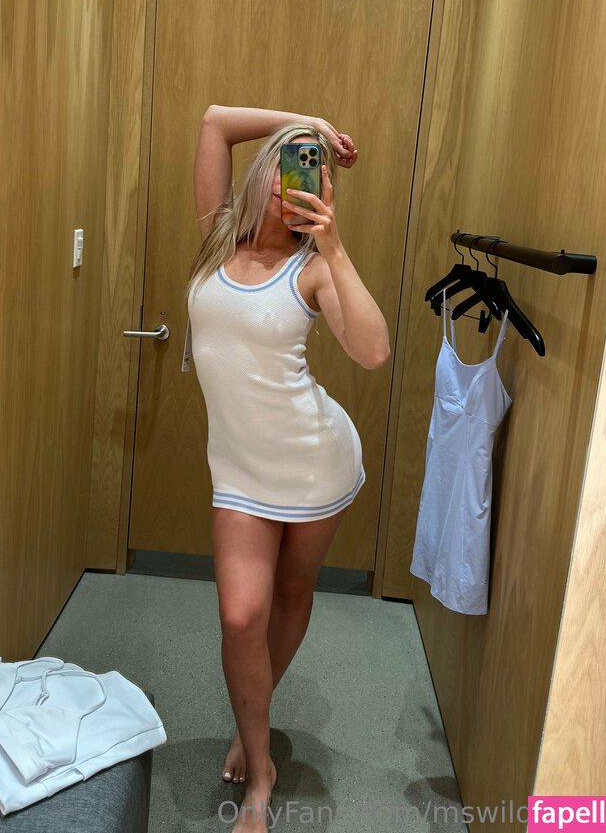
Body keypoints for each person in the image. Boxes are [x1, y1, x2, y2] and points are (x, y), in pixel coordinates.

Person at [185, 104, 390, 831]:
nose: (298, 174)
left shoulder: (314, 269)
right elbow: (215, 121)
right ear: (263, 168)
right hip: (239, 473)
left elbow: (374, 351)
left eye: (314, 167)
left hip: (314, 464)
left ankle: (255, 752)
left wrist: (334, 246)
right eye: (290, 159)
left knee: (291, 596)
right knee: (241, 615)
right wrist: (313, 122)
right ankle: (261, 754)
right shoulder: (217, 234)